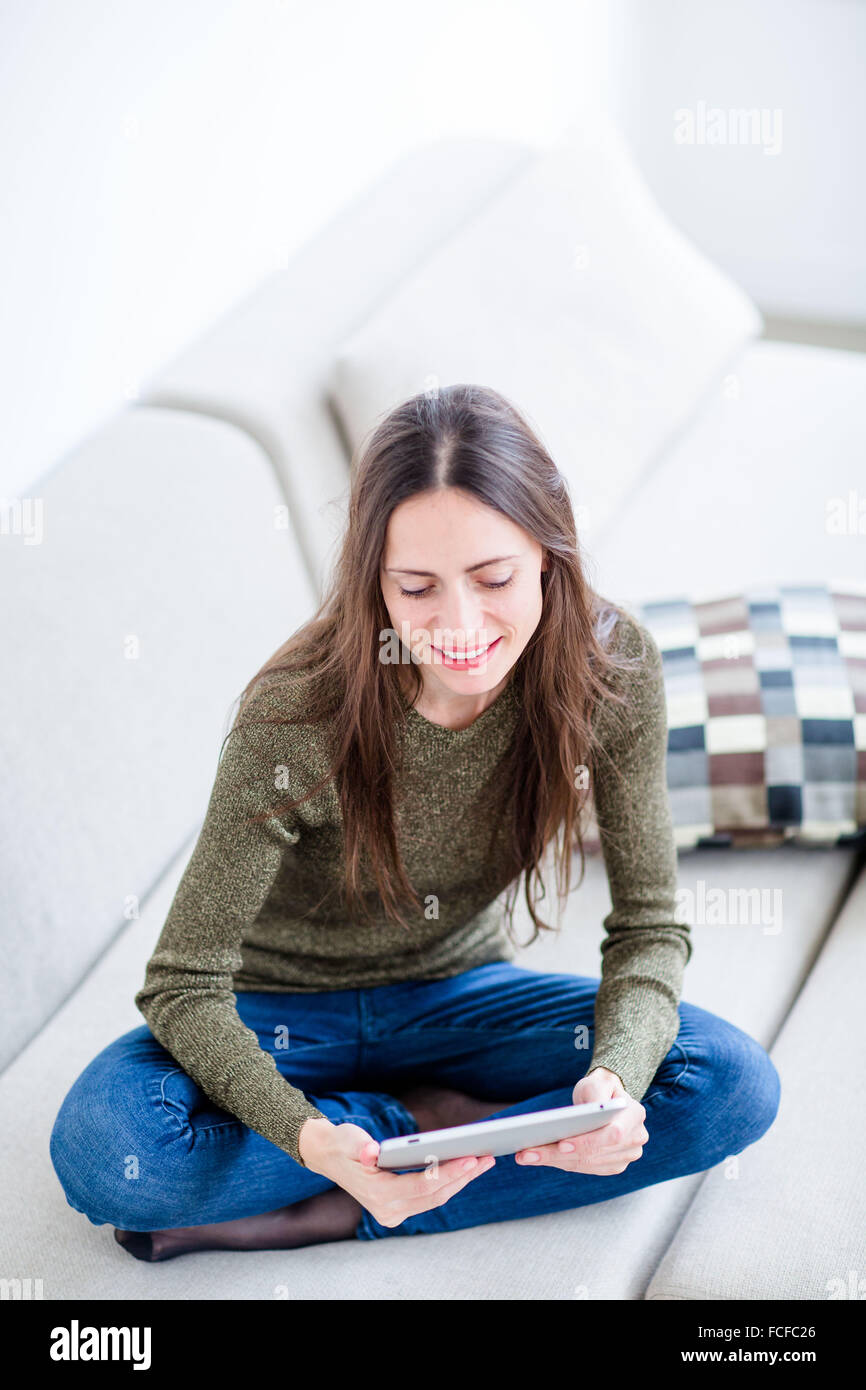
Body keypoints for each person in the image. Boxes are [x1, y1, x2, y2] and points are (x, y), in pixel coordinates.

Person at [49, 383, 780, 1262]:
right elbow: (184, 983)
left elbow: (650, 926)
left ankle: (350, 1201)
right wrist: (308, 1132)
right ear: (375, 584)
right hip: (277, 1016)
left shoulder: (611, 670)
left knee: (731, 1084)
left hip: (456, 998)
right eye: (417, 587)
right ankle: (431, 1124)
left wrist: (614, 1082)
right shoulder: (297, 714)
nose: (459, 625)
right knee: (111, 1155)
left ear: (549, 556)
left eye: (495, 577)